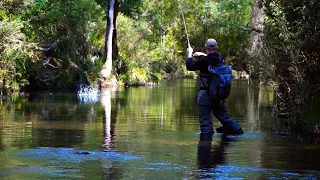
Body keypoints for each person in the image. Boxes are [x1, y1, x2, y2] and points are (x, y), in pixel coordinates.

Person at [185, 38, 243, 136]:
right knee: (224, 118)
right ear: (216, 47)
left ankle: (206, 144)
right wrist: (203, 55)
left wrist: (189, 53)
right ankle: (238, 132)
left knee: (205, 123)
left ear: (205, 47)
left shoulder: (203, 61)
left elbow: (189, 66)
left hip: (205, 96)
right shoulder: (221, 59)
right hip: (218, 95)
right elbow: (211, 59)